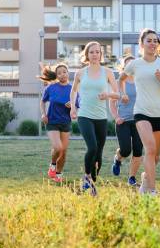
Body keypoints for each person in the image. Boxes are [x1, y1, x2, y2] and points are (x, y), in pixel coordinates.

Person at [119, 29, 160, 195]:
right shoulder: (135, 64)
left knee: (155, 156)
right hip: (141, 112)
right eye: (148, 40)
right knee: (149, 149)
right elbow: (121, 78)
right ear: (141, 43)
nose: (152, 43)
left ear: (158, 45)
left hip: (159, 113)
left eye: (155, 41)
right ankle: (152, 190)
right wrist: (122, 93)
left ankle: (145, 182)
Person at [70, 42, 119, 196]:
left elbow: (117, 94)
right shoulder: (80, 73)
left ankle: (92, 182)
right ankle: (87, 177)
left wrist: (108, 95)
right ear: (87, 54)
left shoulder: (108, 72)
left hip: (101, 117)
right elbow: (73, 92)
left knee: (98, 154)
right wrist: (73, 107)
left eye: (97, 52)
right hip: (84, 115)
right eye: (91, 52)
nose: (95, 54)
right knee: (92, 147)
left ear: (101, 54)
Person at [109, 55, 143, 186]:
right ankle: (118, 159)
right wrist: (116, 117)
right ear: (123, 68)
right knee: (125, 150)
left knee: (138, 150)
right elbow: (112, 102)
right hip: (123, 121)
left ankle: (132, 178)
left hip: (139, 120)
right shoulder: (119, 83)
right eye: (127, 65)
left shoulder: (141, 82)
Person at [39, 64, 75, 183]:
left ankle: (58, 175)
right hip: (52, 121)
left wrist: (72, 106)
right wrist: (44, 114)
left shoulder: (72, 89)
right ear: (57, 75)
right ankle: (53, 164)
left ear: (68, 73)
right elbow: (42, 102)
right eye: (59, 73)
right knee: (58, 147)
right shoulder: (51, 88)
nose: (62, 74)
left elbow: (78, 105)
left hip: (66, 122)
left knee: (63, 152)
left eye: (64, 72)